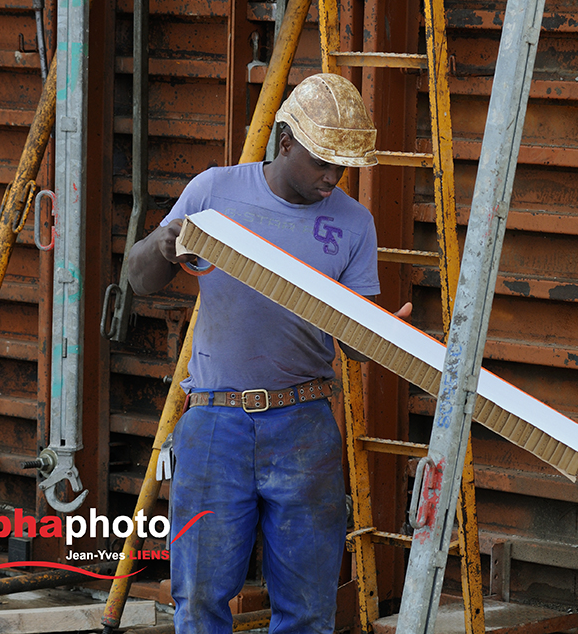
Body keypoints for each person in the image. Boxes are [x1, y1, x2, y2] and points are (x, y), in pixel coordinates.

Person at [127, 73, 409, 634]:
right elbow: (138, 280)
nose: (333, 177)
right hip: (214, 422)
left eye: (343, 166)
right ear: (284, 142)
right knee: (200, 601)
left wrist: (380, 336)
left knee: (307, 610)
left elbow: (352, 345)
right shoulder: (214, 191)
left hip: (303, 425)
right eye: (321, 161)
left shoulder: (354, 224)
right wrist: (162, 244)